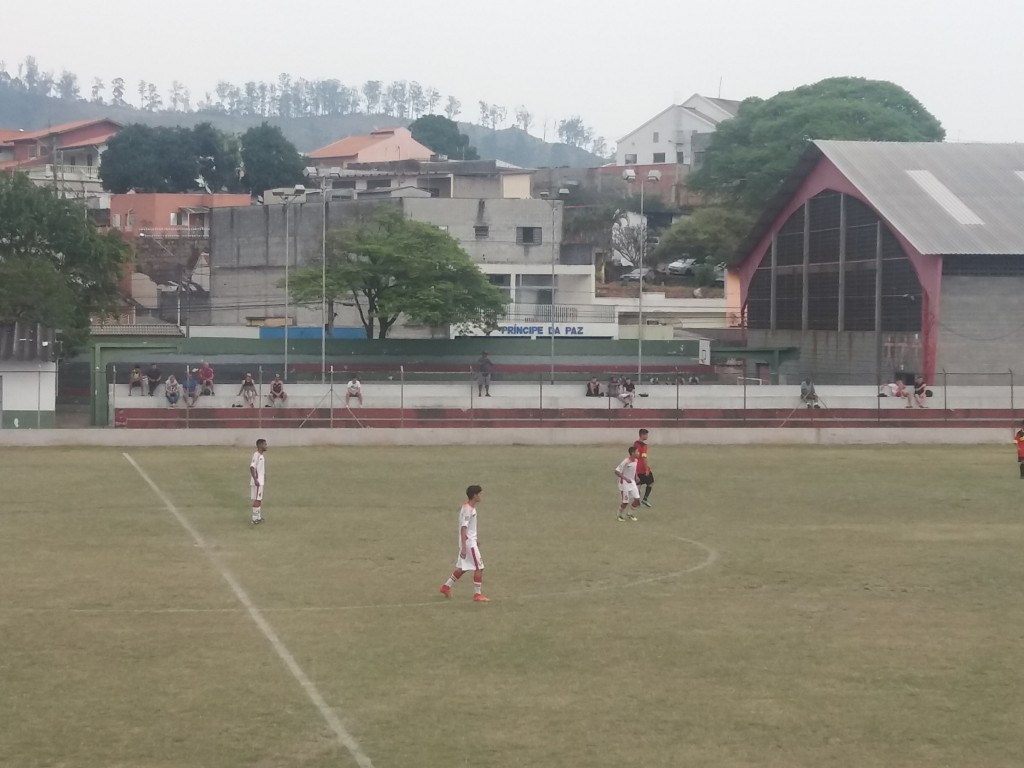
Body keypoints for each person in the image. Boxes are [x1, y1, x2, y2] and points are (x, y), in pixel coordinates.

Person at [439, 485, 489, 602]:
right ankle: (477, 594)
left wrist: (475, 539)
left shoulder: (469, 508)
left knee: (463, 567)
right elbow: (463, 528)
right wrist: (465, 546)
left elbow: (469, 528)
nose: (481, 496)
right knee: (479, 567)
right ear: (474, 495)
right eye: (479, 494)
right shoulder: (468, 510)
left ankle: (445, 587)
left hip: (470, 542)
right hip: (469, 544)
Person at [614, 445, 641, 522]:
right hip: (624, 483)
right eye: (637, 452)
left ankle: (630, 514)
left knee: (637, 499)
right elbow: (616, 471)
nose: (638, 453)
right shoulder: (626, 461)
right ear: (632, 453)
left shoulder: (636, 460)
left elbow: (634, 470)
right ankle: (619, 515)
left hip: (632, 482)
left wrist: (636, 476)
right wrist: (625, 478)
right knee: (625, 502)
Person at [633, 428, 654, 508]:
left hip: (635, 467)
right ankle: (645, 499)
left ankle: (636, 498)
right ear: (643, 435)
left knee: (638, 483)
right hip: (642, 468)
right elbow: (644, 457)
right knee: (651, 482)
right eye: (646, 434)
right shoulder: (644, 446)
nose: (647, 436)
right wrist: (646, 469)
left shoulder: (635, 443)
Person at [249, 438, 268, 525]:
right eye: (264, 444)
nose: (266, 446)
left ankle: (258, 517)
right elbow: (252, 467)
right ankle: (254, 519)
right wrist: (256, 480)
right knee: (257, 499)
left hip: (260, 481)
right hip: (257, 482)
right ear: (260, 445)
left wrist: (264, 475)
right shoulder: (256, 455)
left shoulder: (261, 456)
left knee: (259, 499)